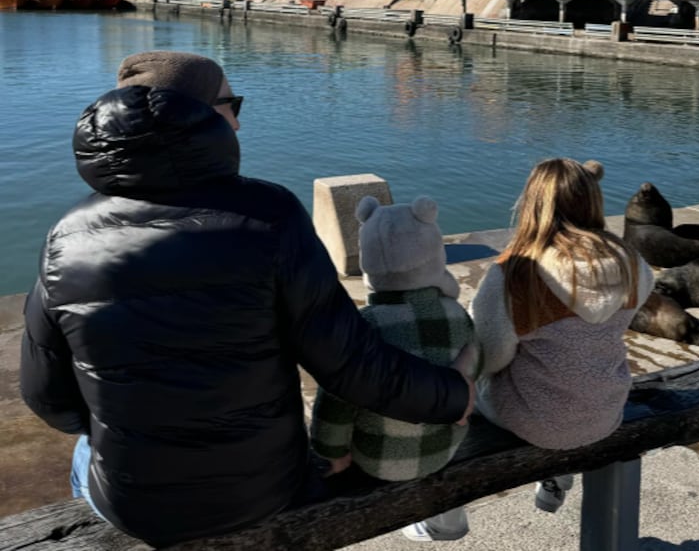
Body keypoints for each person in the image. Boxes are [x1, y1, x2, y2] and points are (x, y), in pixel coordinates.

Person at [19, 51, 473, 547]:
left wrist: (126, 427)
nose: (237, 118)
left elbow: (47, 397)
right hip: (260, 491)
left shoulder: (66, 236)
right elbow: (350, 365)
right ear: (198, 114)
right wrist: (451, 395)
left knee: (92, 451)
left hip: (133, 505)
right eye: (230, 102)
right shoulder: (270, 214)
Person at [470, 158, 653, 513]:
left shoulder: (515, 273)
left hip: (538, 422)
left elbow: (490, 358)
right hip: (605, 411)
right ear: (593, 200)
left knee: (461, 385)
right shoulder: (630, 261)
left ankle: (444, 514)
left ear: (532, 204)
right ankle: (555, 476)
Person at [310, 194, 481, 543]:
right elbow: (475, 370)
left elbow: (336, 401)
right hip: (443, 448)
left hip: (377, 458)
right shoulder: (456, 316)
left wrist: (331, 451)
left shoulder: (363, 326)